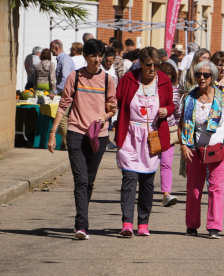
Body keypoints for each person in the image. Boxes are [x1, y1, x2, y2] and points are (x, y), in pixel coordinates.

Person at [47, 39, 117, 240]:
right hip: (76, 132)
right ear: (85, 56)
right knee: (81, 179)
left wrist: (106, 116)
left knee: (90, 181)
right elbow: (63, 105)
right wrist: (53, 133)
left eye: (99, 55)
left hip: (99, 136)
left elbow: (113, 107)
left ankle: (82, 220)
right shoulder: (75, 77)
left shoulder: (107, 80)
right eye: (93, 55)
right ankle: (81, 225)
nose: (97, 59)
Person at [114, 47, 175, 237]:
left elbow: (172, 104)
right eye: (149, 65)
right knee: (129, 179)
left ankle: (143, 223)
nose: (153, 69)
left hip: (152, 136)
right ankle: (127, 223)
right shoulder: (128, 79)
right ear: (141, 63)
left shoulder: (164, 81)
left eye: (157, 65)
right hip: (130, 134)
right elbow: (115, 100)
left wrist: (167, 110)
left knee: (147, 181)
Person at [179, 61, 224, 239]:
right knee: (194, 189)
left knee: (215, 188)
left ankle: (214, 227)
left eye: (206, 75)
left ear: (212, 77)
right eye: (198, 74)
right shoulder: (189, 99)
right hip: (194, 149)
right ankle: (192, 225)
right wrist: (184, 145)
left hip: (220, 150)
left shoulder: (223, 99)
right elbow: (181, 125)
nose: (201, 78)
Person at [158, 62, 181, 206]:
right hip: (152, 130)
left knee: (166, 162)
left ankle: (166, 193)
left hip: (169, 130)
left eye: (169, 79)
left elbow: (178, 112)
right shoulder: (151, 89)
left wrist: (177, 128)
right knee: (149, 162)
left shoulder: (175, 92)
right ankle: (145, 191)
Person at [50, 39, 75, 150]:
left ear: (56, 48)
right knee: (65, 118)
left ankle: (66, 144)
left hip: (67, 93)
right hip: (67, 93)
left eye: (52, 51)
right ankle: (65, 143)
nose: (52, 53)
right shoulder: (64, 59)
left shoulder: (64, 60)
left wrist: (55, 91)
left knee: (63, 119)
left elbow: (65, 79)